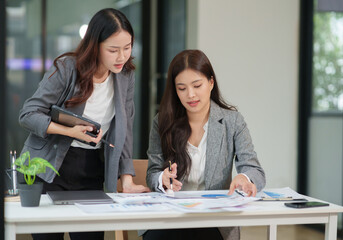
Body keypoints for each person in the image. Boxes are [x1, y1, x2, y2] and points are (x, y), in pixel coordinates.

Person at [18, 8, 149, 240]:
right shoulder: (68, 68)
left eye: (127, 48)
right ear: (95, 45)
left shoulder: (125, 75)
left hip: (91, 169)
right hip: (50, 168)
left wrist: (126, 180)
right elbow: (28, 114)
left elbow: (124, 128)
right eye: (113, 50)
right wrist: (69, 131)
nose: (122, 57)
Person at [144, 49, 266, 240]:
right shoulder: (162, 122)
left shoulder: (232, 122)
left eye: (197, 85)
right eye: (182, 88)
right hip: (169, 215)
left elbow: (254, 170)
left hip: (213, 220)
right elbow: (152, 174)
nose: (190, 95)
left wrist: (244, 178)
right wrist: (162, 179)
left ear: (211, 82)